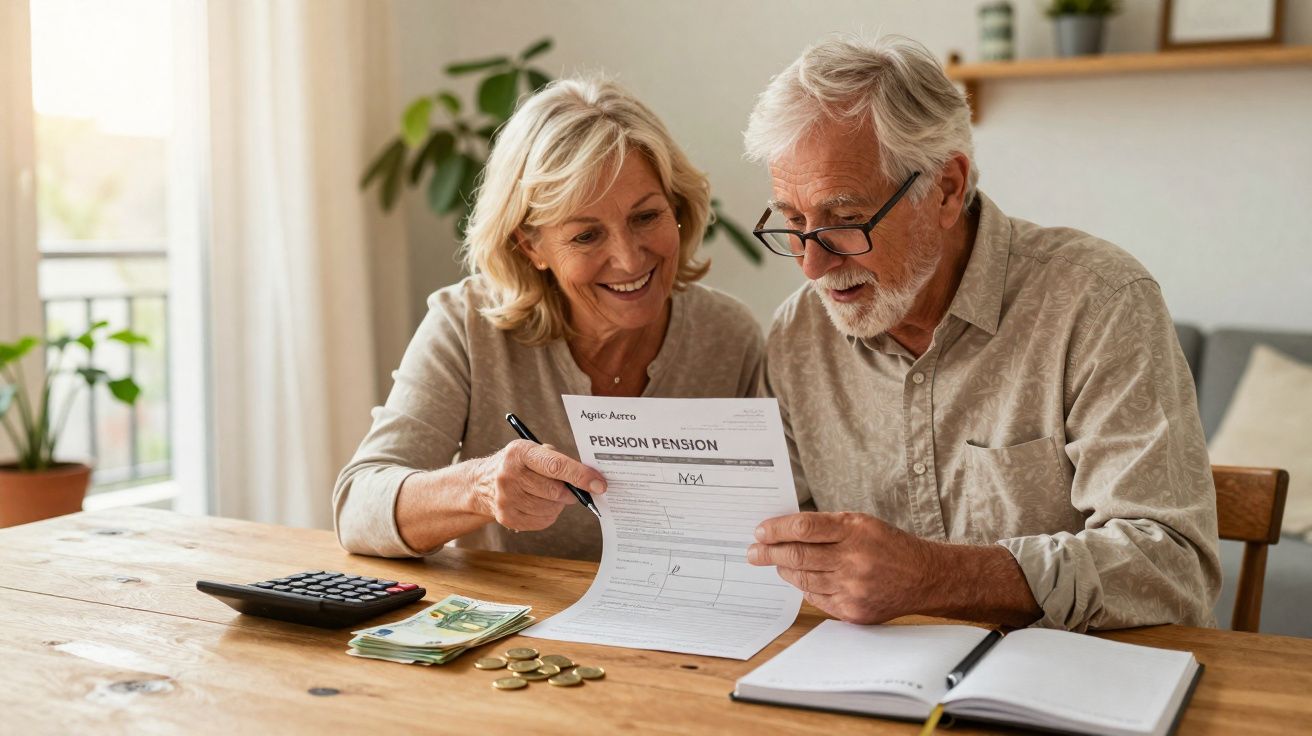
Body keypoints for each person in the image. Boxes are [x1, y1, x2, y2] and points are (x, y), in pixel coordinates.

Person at [742, 35, 1220, 631]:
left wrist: (935, 577)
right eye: (793, 221)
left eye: (845, 218)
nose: (812, 264)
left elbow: (1171, 566)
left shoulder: (1098, 302)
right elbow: (779, 546)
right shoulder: (799, 334)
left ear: (945, 188)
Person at [335, 77, 762, 561]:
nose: (627, 259)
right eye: (586, 236)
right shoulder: (466, 326)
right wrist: (478, 487)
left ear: (678, 208)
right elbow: (357, 507)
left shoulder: (730, 337)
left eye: (646, 217)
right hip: (518, 628)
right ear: (530, 245)